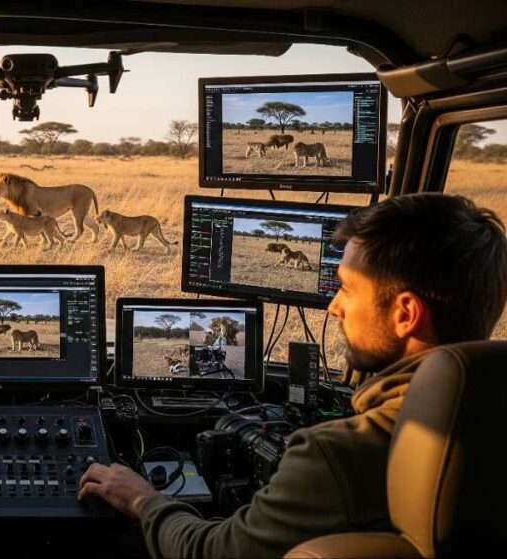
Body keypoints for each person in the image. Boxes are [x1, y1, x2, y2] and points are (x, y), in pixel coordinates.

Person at [79, 193, 507, 558]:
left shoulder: (335, 453)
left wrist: (143, 499)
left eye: (345, 288)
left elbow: (212, 552)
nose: (334, 307)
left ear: (406, 314)